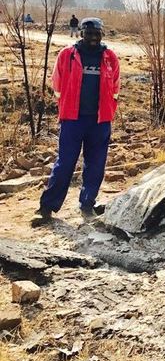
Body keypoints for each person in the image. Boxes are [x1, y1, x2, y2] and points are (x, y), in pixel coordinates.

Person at [35, 17, 120, 221]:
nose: (92, 37)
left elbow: (116, 88)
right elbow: (57, 85)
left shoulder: (110, 57)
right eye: (89, 33)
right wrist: (66, 107)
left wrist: (109, 111)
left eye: (96, 33)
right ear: (81, 33)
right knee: (65, 163)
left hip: (100, 121)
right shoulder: (67, 55)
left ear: (102, 34)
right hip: (73, 120)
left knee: (96, 164)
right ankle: (47, 207)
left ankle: (88, 203)